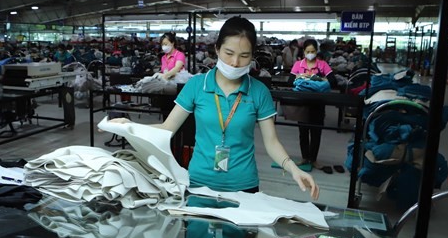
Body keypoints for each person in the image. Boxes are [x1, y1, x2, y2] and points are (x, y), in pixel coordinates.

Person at [109, 16, 319, 199]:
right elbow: (167, 128)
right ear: (217, 49)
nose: (235, 62)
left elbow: (272, 142)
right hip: (199, 182)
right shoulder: (196, 86)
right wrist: (129, 126)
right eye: (229, 53)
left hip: (244, 186)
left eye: (244, 55)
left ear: (252, 55)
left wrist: (293, 169)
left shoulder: (258, 91)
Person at [288, 39, 337, 173]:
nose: (310, 54)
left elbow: (333, 80)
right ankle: (305, 158)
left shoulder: (322, 65)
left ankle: (313, 159)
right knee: (303, 132)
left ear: (317, 51)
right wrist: (304, 76)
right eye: (308, 51)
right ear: (304, 52)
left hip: (318, 104)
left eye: (313, 51)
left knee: (316, 132)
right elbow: (290, 81)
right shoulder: (298, 65)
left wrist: (318, 79)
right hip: (303, 104)